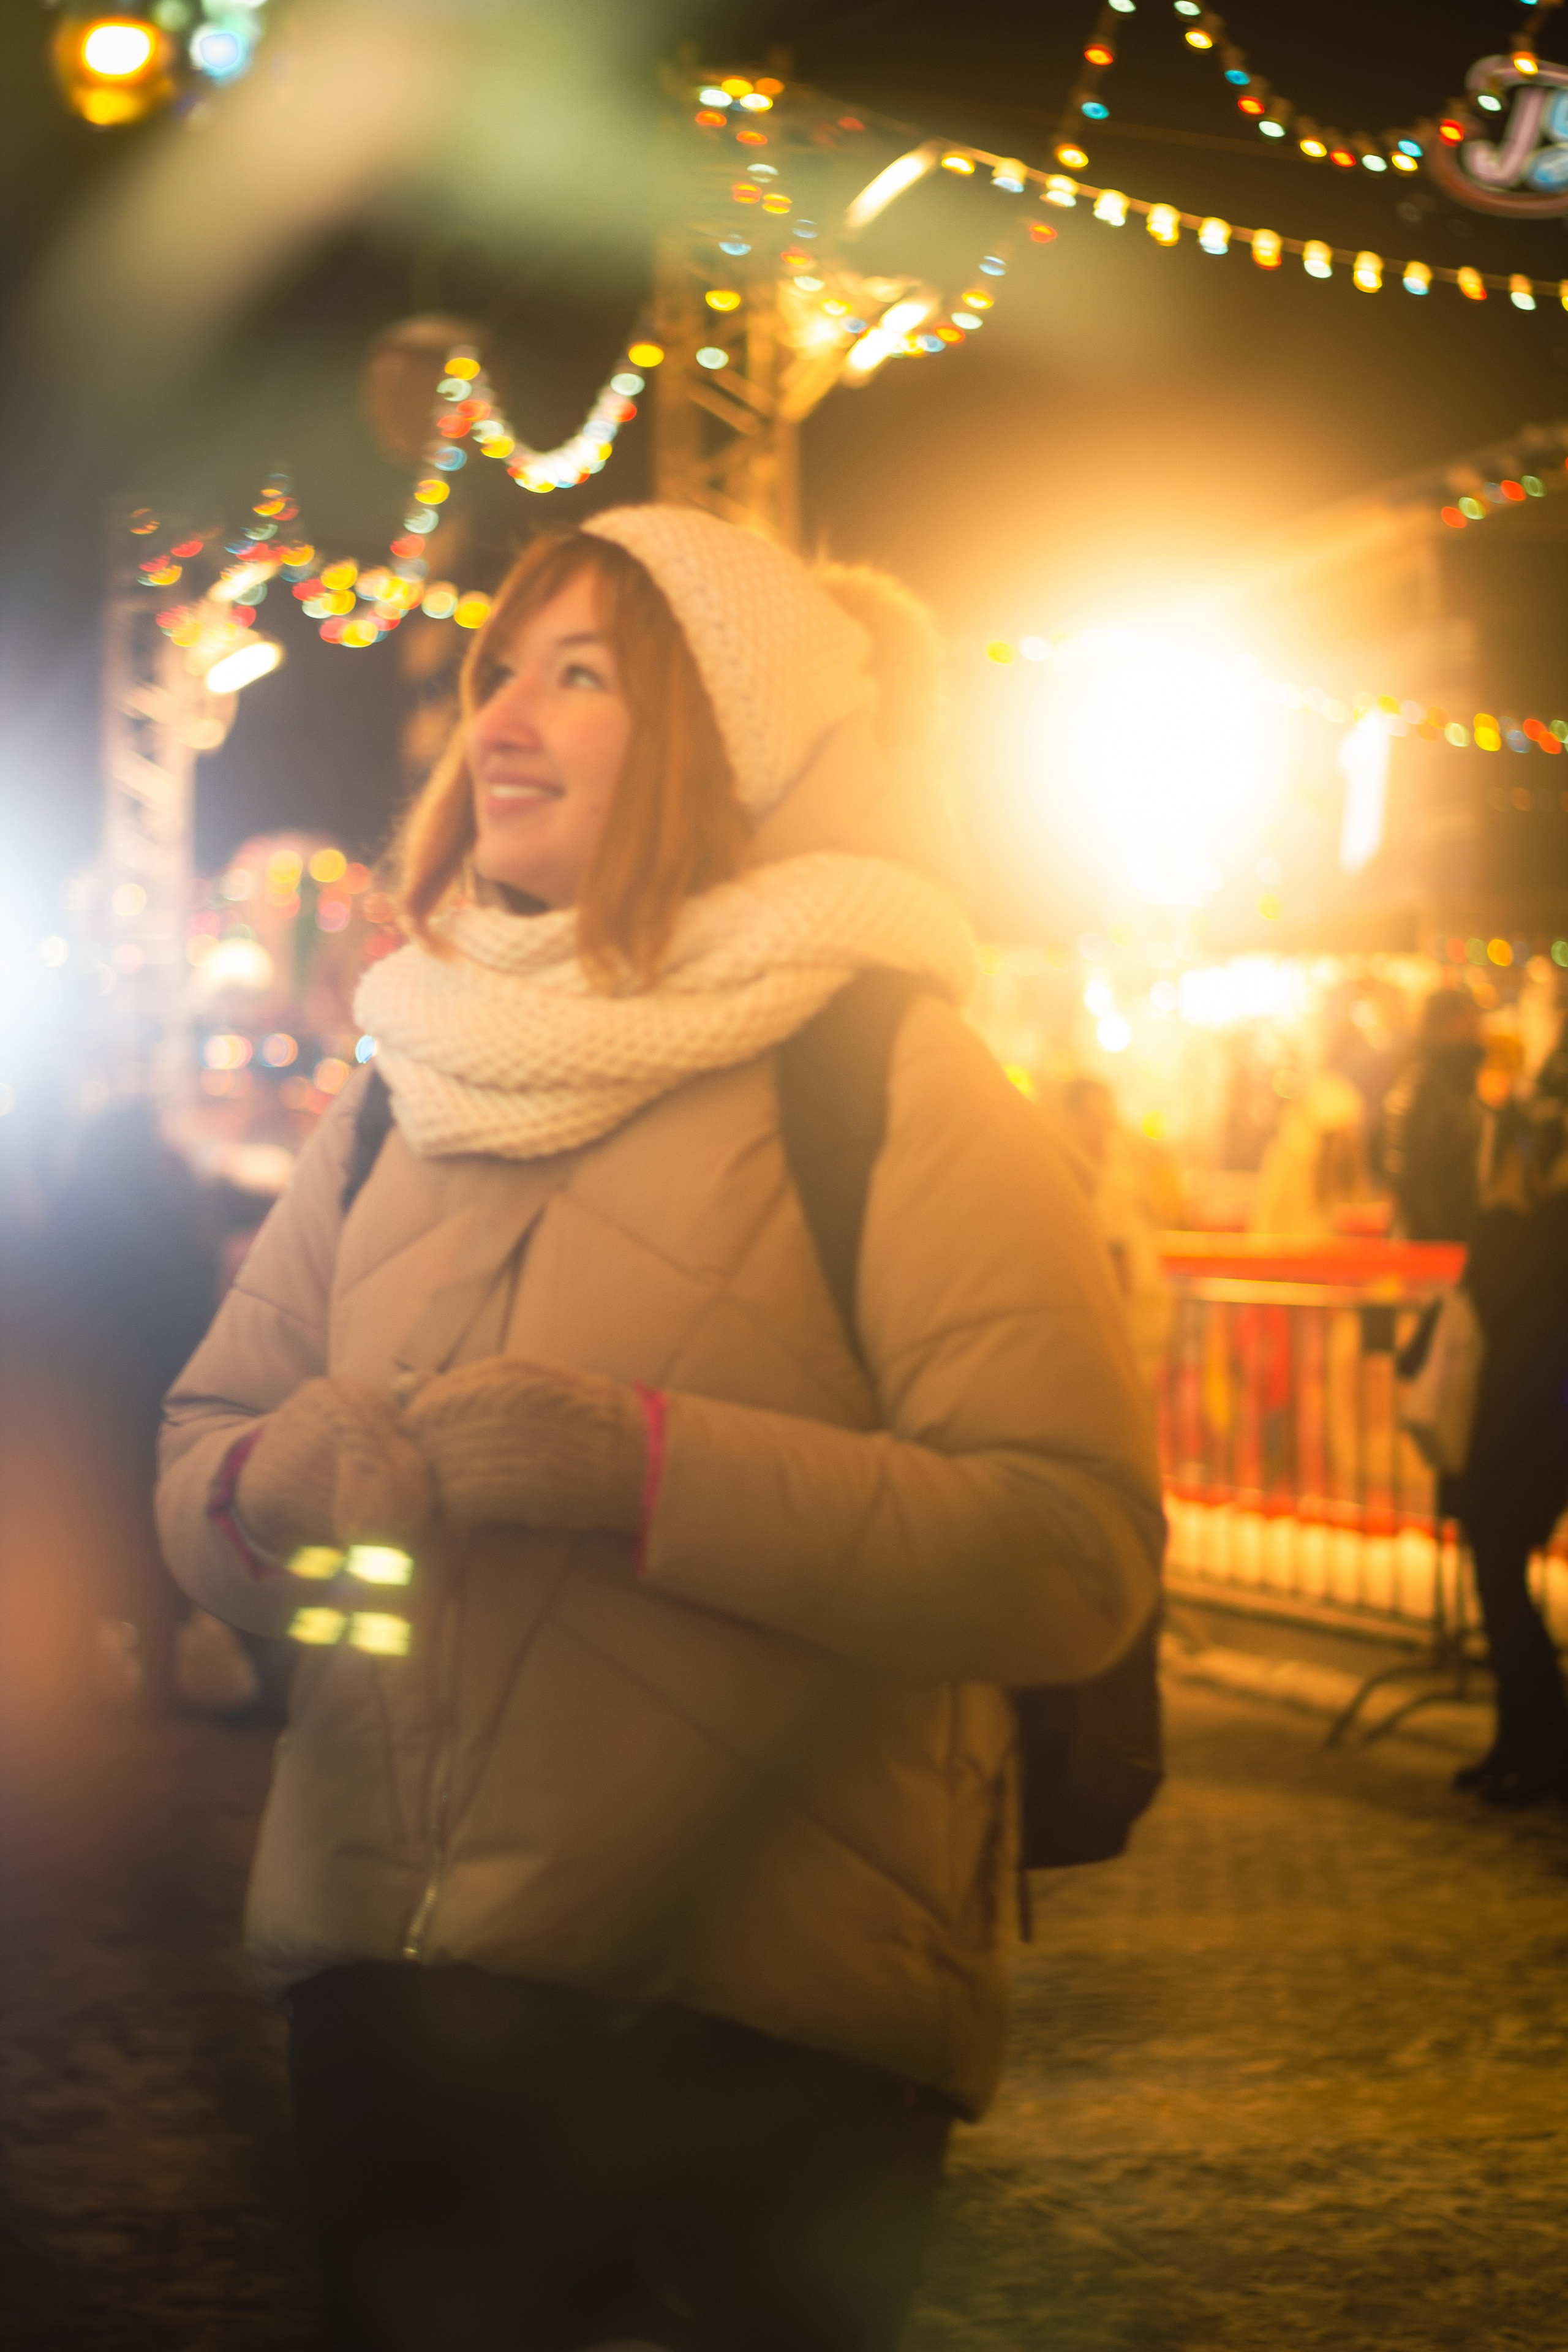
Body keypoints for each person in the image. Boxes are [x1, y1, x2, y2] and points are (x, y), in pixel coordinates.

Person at [156, 508, 1163, 2352]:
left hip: (745, 2027)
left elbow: (1068, 1545)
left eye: (583, 673)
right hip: (386, 1998)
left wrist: (641, 1464)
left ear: (731, 741)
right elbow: (204, 1438)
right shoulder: (410, 1075)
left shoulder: (885, 1072)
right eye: (498, 674)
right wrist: (265, 1483)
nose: (504, 718)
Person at [1444, 1030, 1568, 1808]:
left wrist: (1499, 1211)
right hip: (1514, 1430)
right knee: (1496, 1582)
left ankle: (1542, 1747)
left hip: (1524, 1433)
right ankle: (1518, 1741)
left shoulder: (1543, 1224)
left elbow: (1485, 1288)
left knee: (1500, 1581)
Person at [1379, 989, 1485, 1242]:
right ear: (1443, 1026)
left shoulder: (1452, 1082)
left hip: (1446, 1238)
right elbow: (1409, 1174)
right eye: (1468, 1023)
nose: (1479, 1032)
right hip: (1433, 1245)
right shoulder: (1423, 1085)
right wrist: (1438, 1238)